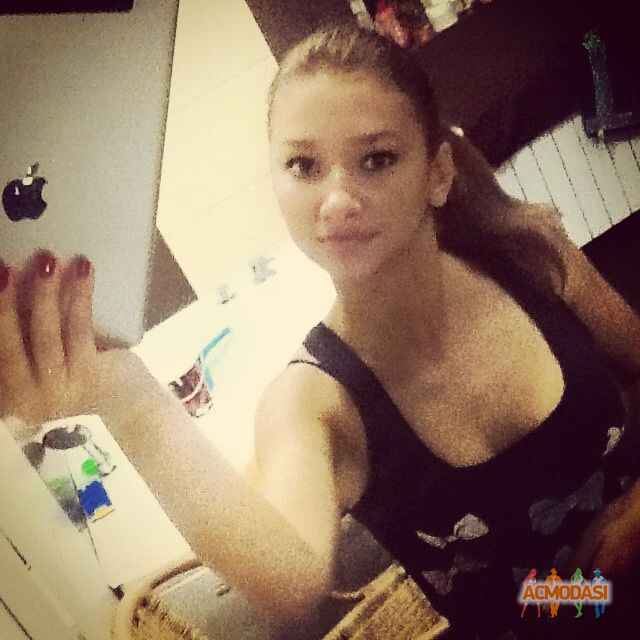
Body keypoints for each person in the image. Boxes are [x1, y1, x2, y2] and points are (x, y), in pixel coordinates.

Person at [2, 20, 640, 640]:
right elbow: (290, 580)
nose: (336, 201)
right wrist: (128, 399)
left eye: (377, 159)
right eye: (304, 166)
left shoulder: (530, 255)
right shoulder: (312, 404)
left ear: (438, 173)